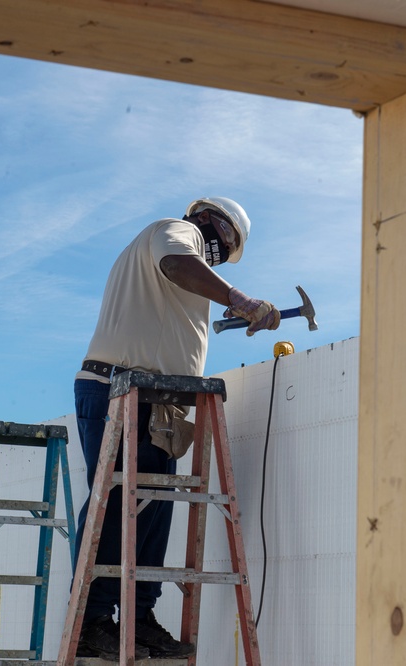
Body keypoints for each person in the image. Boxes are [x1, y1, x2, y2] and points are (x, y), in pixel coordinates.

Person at [72, 197, 280, 660]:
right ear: (205, 218)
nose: (222, 253)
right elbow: (174, 262)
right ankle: (92, 621)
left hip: (156, 397)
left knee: (152, 509)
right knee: (117, 506)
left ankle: (139, 615)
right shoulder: (173, 231)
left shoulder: (188, 275)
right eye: (225, 241)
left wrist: (231, 310)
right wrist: (240, 298)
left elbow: (172, 311)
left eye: (229, 252)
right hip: (121, 387)